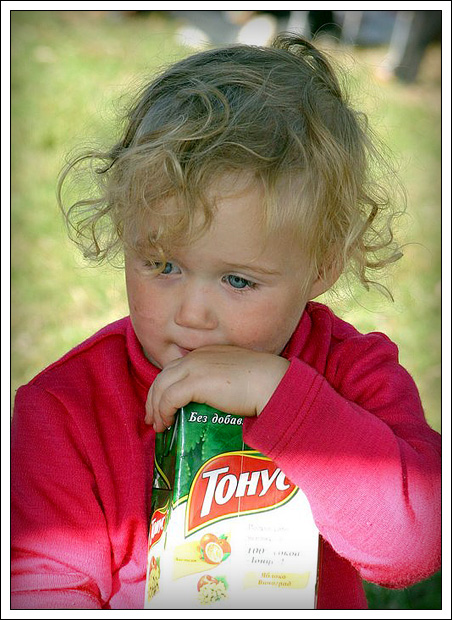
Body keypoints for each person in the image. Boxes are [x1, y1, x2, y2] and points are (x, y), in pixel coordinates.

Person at [11, 34, 441, 610]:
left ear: (320, 266)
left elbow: (413, 546)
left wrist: (282, 396)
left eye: (238, 280)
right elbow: (40, 586)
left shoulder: (352, 373)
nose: (191, 315)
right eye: (162, 265)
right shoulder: (66, 410)